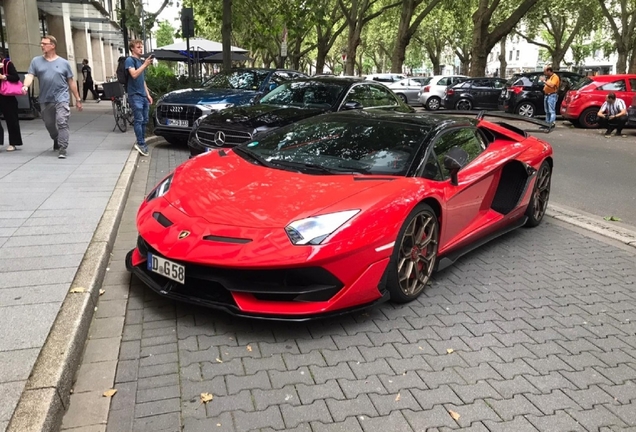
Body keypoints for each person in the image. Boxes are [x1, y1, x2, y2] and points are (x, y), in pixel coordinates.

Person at [22, 35, 83, 159]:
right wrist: (25, 86)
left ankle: (62, 147)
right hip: (45, 98)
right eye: (41, 43)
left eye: (45, 43)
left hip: (61, 97)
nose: (42, 46)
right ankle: (56, 138)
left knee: (62, 121)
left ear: (53, 45)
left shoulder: (64, 63)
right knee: (49, 124)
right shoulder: (36, 61)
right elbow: (30, 76)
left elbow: (71, 81)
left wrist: (77, 99)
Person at [125, 39, 153, 157]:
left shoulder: (141, 62)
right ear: (132, 48)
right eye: (138, 47)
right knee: (139, 119)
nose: (140, 49)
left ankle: (141, 140)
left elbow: (143, 80)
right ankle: (141, 143)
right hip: (135, 95)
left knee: (145, 119)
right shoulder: (129, 60)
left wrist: (148, 95)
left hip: (142, 95)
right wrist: (145, 65)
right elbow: (134, 75)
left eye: (141, 47)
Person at [0, 51, 24, 152]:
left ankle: (13, 142)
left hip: (7, 96)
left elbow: (16, 77)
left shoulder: (7, 64)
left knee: (11, 119)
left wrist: (4, 77)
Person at [539, 66, 560, 131]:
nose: (544, 73)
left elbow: (552, 85)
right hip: (547, 95)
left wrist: (544, 81)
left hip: (552, 95)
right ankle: (546, 124)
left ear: (549, 71)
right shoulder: (550, 77)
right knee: (547, 111)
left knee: (551, 111)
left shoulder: (555, 77)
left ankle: (551, 124)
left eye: (545, 71)